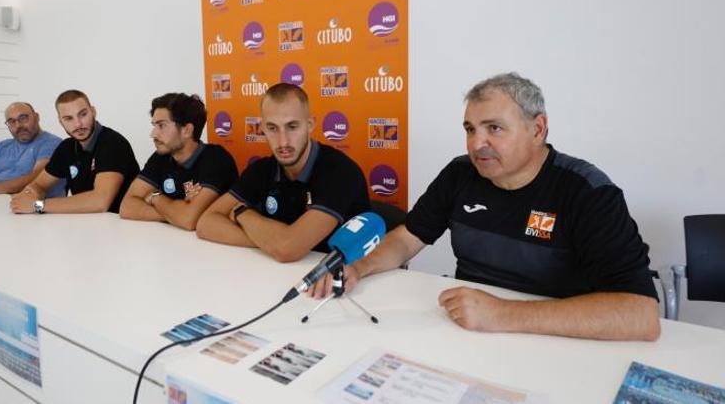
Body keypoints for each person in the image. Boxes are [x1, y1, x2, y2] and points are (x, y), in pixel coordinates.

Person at [310, 73, 660, 341]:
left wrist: (505, 315)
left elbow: (641, 315)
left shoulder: (588, 191)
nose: (477, 144)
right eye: (470, 129)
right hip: (467, 331)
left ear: (537, 129)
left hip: (556, 342)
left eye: (494, 128)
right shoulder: (460, 173)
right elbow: (407, 238)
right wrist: (361, 267)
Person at [196, 83, 370, 262]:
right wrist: (270, 242)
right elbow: (205, 224)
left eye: (292, 127)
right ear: (263, 128)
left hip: (341, 281)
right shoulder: (262, 169)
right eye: (272, 128)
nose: (283, 141)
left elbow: (287, 249)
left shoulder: (339, 171)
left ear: (309, 125)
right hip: (276, 276)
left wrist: (243, 213)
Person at [119, 93, 238, 230]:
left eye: (161, 126)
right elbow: (126, 207)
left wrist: (154, 197)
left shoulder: (216, 159)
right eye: (154, 126)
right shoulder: (161, 156)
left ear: (187, 130)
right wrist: (176, 212)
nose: (153, 134)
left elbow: (187, 220)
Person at [10, 90, 139, 214]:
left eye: (83, 114)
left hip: (124, 228)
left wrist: (37, 205)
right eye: (68, 118)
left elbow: (100, 201)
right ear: (61, 122)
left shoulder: (113, 143)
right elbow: (38, 185)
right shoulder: (67, 147)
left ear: (93, 112)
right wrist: (25, 198)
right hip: (86, 225)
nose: (78, 124)